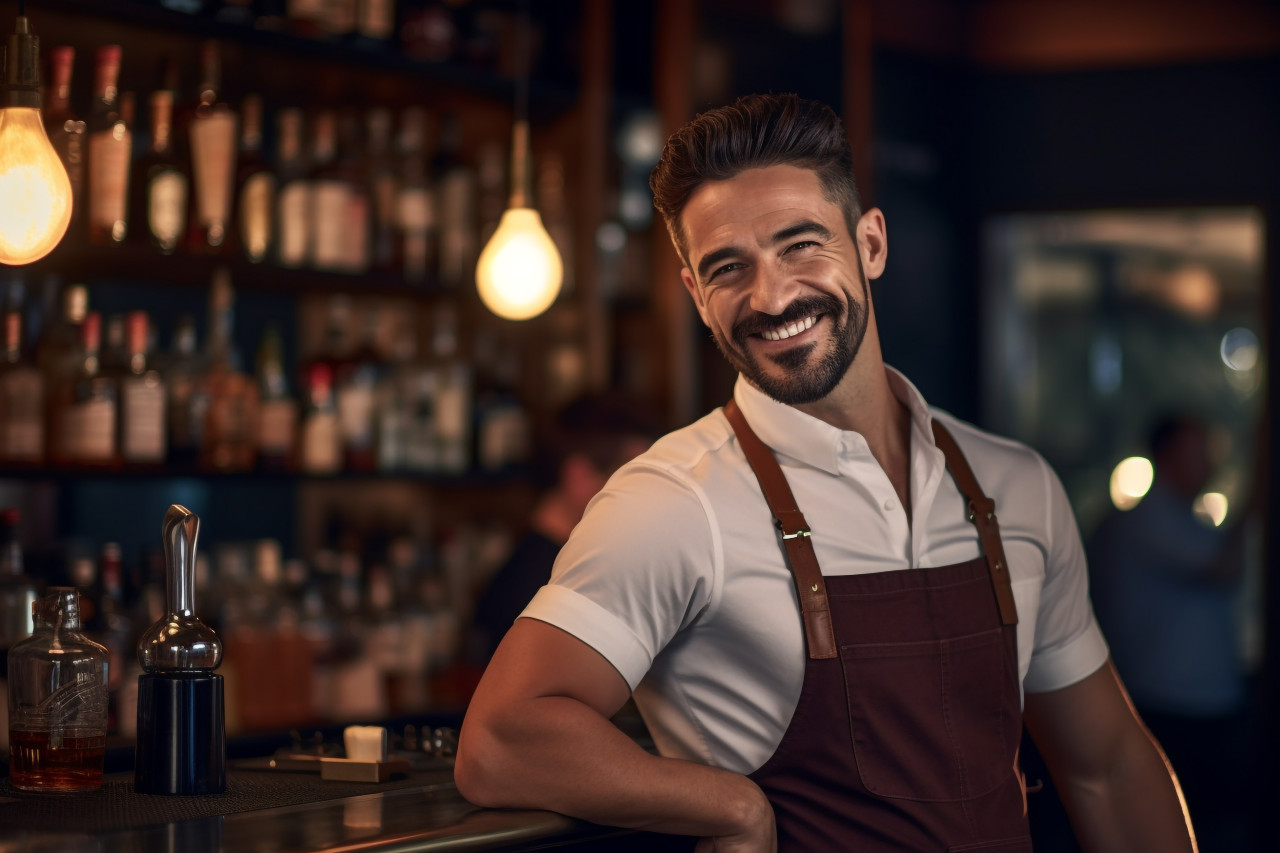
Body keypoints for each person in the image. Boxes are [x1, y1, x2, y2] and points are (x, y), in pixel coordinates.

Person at [455, 92, 1194, 852]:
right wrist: (731, 806)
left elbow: (1108, 766)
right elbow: (502, 739)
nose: (771, 296)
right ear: (697, 298)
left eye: (801, 245)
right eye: (728, 268)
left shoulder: (1017, 485)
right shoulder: (672, 501)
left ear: (870, 244)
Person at [1089, 414, 1256, 850]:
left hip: (1198, 701)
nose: (1210, 463)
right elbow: (1222, 567)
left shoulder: (1186, 519)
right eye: (1199, 451)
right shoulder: (1148, 519)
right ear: (1167, 456)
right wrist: (1254, 502)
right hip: (1171, 703)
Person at [468, 392, 663, 665]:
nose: (649, 498)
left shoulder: (539, 564)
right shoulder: (546, 584)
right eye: (634, 480)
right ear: (579, 477)